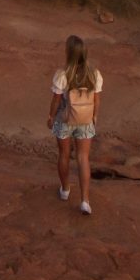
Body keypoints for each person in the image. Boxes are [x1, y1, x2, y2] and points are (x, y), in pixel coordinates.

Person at [48, 33, 102, 215]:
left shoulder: (62, 75)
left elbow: (56, 100)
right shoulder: (94, 74)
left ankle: (65, 190)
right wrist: (95, 116)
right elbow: (96, 99)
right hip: (86, 119)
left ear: (69, 53)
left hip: (65, 118)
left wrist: (50, 116)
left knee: (64, 154)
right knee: (83, 158)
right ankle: (85, 200)